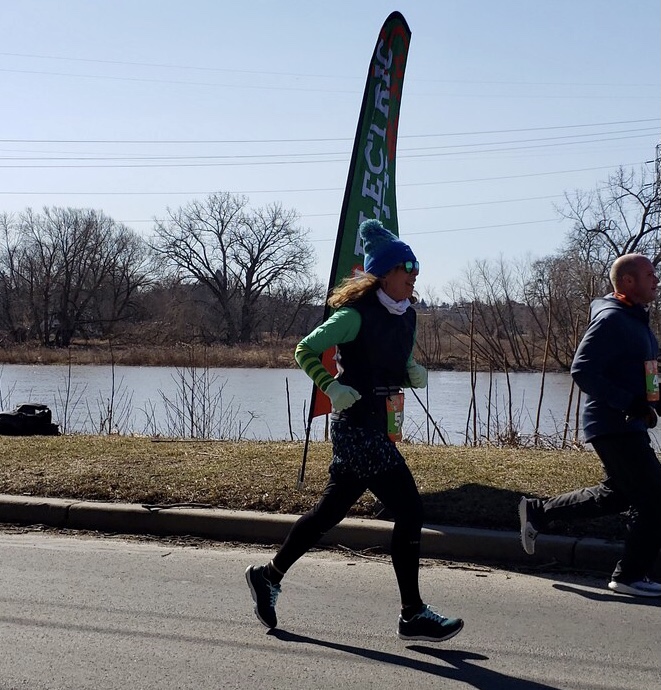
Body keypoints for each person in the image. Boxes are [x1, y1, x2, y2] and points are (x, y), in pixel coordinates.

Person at [245, 218, 464, 641]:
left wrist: (411, 370)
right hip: (355, 427)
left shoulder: (407, 316)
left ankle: (267, 575)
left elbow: (395, 360)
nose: (414, 275)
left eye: (416, 268)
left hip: (380, 424)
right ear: (384, 273)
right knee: (410, 510)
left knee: (329, 513)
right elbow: (305, 349)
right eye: (407, 267)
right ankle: (412, 614)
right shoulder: (354, 316)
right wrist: (330, 386)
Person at [519, 253, 661, 597]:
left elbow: (646, 378)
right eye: (649, 274)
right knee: (655, 499)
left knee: (619, 494)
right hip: (612, 423)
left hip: (628, 423)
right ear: (627, 281)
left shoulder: (636, 320)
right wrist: (629, 403)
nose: (656, 280)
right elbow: (582, 370)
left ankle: (538, 512)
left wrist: (649, 404)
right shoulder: (611, 319)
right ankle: (629, 576)